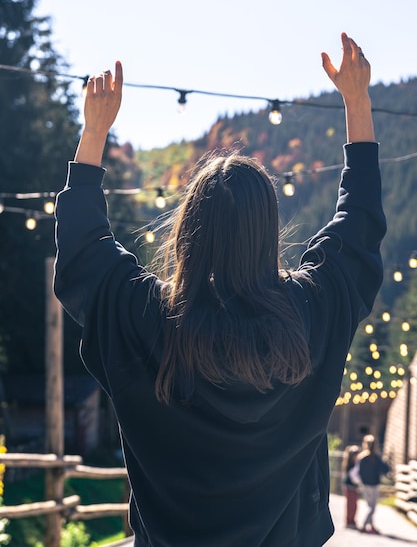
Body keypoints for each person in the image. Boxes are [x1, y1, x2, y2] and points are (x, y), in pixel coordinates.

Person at [53, 32, 386, 547]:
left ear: (189, 228)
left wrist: (93, 132)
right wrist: (358, 103)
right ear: (268, 230)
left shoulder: (150, 318)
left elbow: (83, 248)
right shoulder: (309, 313)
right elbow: (359, 224)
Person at [357, 434, 390, 534]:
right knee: (372, 507)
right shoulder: (376, 457)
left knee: (369, 505)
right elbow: (385, 469)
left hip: (365, 484)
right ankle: (363, 525)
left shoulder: (362, 457)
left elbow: (359, 471)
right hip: (374, 484)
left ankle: (371, 525)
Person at [341, 445, 360, 529]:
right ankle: (349, 521)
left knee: (354, 505)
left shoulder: (354, 463)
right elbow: (353, 476)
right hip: (350, 486)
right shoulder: (350, 464)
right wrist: (359, 481)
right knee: (350, 504)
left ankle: (352, 520)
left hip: (353, 486)